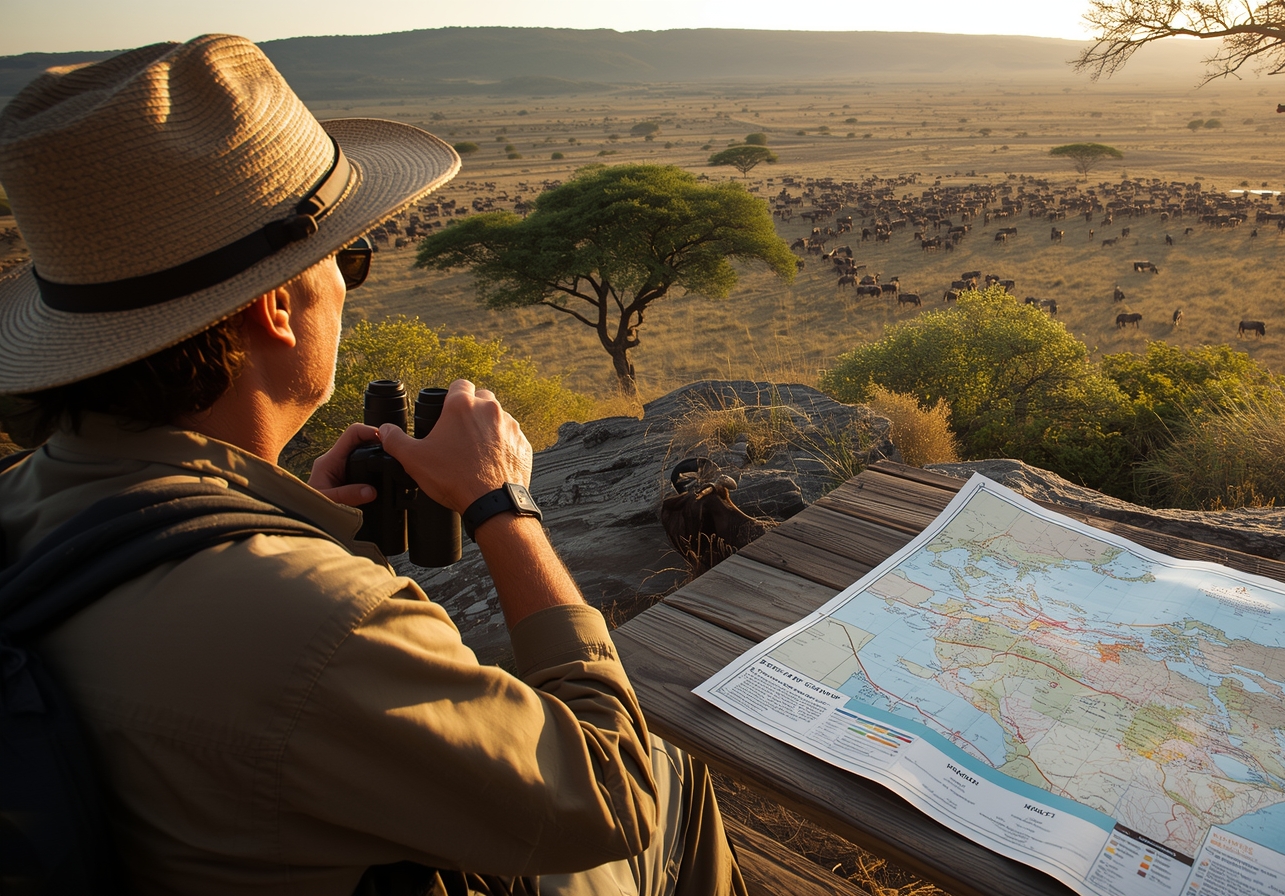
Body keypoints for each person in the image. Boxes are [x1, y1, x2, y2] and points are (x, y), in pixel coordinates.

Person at [0, 35, 744, 896]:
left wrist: (274, 522)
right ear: (276, 307)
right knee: (670, 773)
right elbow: (613, 796)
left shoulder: (26, 504)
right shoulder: (319, 625)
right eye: (348, 258)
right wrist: (504, 504)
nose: (349, 286)